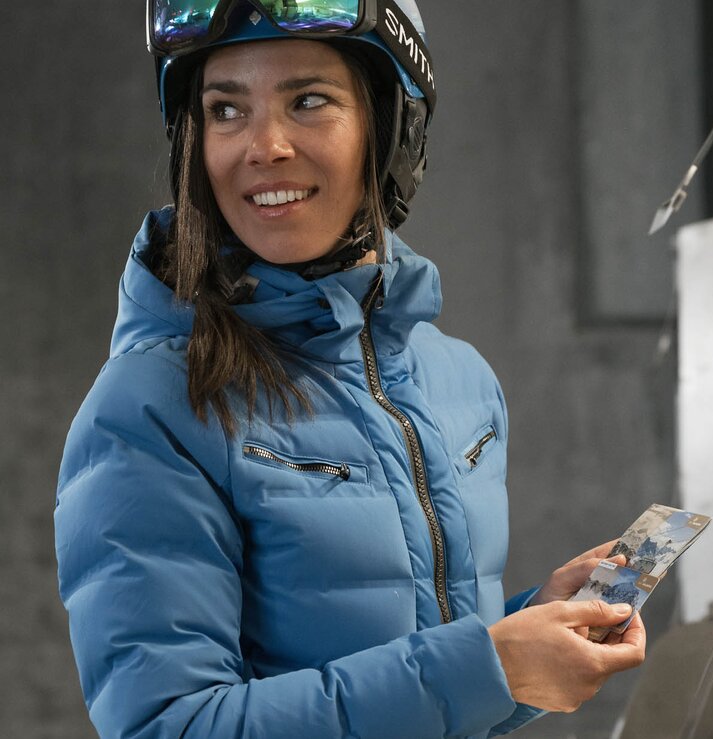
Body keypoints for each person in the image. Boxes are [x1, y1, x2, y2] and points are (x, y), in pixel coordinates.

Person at [54, 1, 645, 737]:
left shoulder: (459, 383)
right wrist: (487, 664)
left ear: (394, 129)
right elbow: (168, 726)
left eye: (308, 100)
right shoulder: (153, 406)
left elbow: (428, 691)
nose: (263, 145)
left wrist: (527, 638)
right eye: (226, 109)